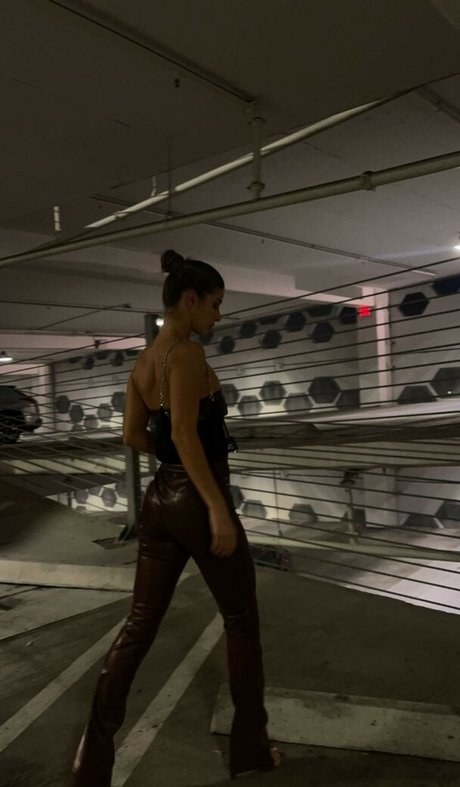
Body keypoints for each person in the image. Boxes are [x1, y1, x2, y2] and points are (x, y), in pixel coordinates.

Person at [71, 249, 281, 785]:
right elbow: (186, 433)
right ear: (189, 300)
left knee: (140, 626)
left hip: (159, 502)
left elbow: (132, 435)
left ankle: (92, 760)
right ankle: (251, 750)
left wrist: (171, 464)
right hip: (195, 501)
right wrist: (217, 510)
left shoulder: (144, 361)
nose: (217, 315)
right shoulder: (186, 353)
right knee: (242, 622)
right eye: (214, 304)